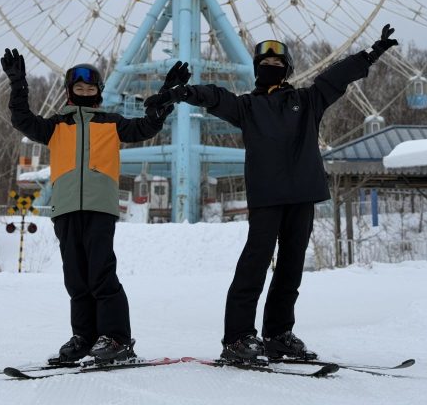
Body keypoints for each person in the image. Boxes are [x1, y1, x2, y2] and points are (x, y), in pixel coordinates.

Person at [144, 25, 398, 363]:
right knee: (255, 264)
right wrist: (183, 92)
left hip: (302, 195)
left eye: (278, 61)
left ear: (288, 68)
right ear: (257, 69)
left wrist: (368, 56)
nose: (272, 65)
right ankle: (238, 337)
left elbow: (335, 77)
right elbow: (216, 97)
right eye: (266, 61)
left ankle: (278, 334)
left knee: (290, 269)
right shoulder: (247, 107)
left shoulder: (307, 101)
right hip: (267, 197)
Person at [1, 49, 189, 364]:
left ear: (98, 91)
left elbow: (147, 126)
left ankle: (116, 338)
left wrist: (166, 97)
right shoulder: (56, 127)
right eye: (79, 88)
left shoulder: (112, 123)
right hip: (65, 208)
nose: (85, 92)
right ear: (70, 92)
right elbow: (22, 119)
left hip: (99, 207)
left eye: (91, 88)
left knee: (101, 273)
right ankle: (84, 337)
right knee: (76, 277)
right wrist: (18, 84)